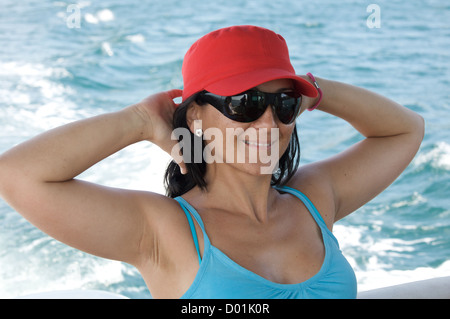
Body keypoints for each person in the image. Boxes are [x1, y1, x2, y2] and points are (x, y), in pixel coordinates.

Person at [0, 25, 424, 299]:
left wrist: (314, 88)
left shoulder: (315, 198)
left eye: (284, 104)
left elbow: (406, 130)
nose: (268, 122)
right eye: (246, 103)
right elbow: (17, 174)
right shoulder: (162, 230)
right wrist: (140, 121)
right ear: (197, 116)